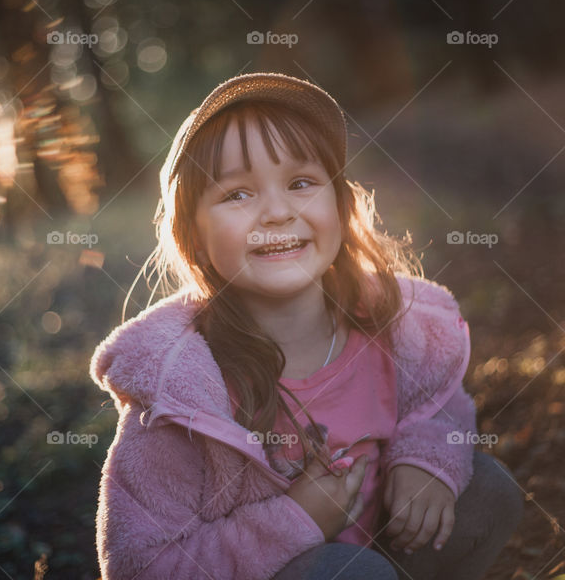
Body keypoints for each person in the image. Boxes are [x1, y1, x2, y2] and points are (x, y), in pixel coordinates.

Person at [90, 72, 523, 580]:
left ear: (340, 207)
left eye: (300, 183)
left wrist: (424, 461)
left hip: (384, 556)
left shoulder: (395, 328)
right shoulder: (179, 395)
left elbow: (438, 404)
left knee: (487, 489)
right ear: (195, 237)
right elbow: (139, 568)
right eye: (237, 194)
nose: (276, 212)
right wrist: (291, 523)